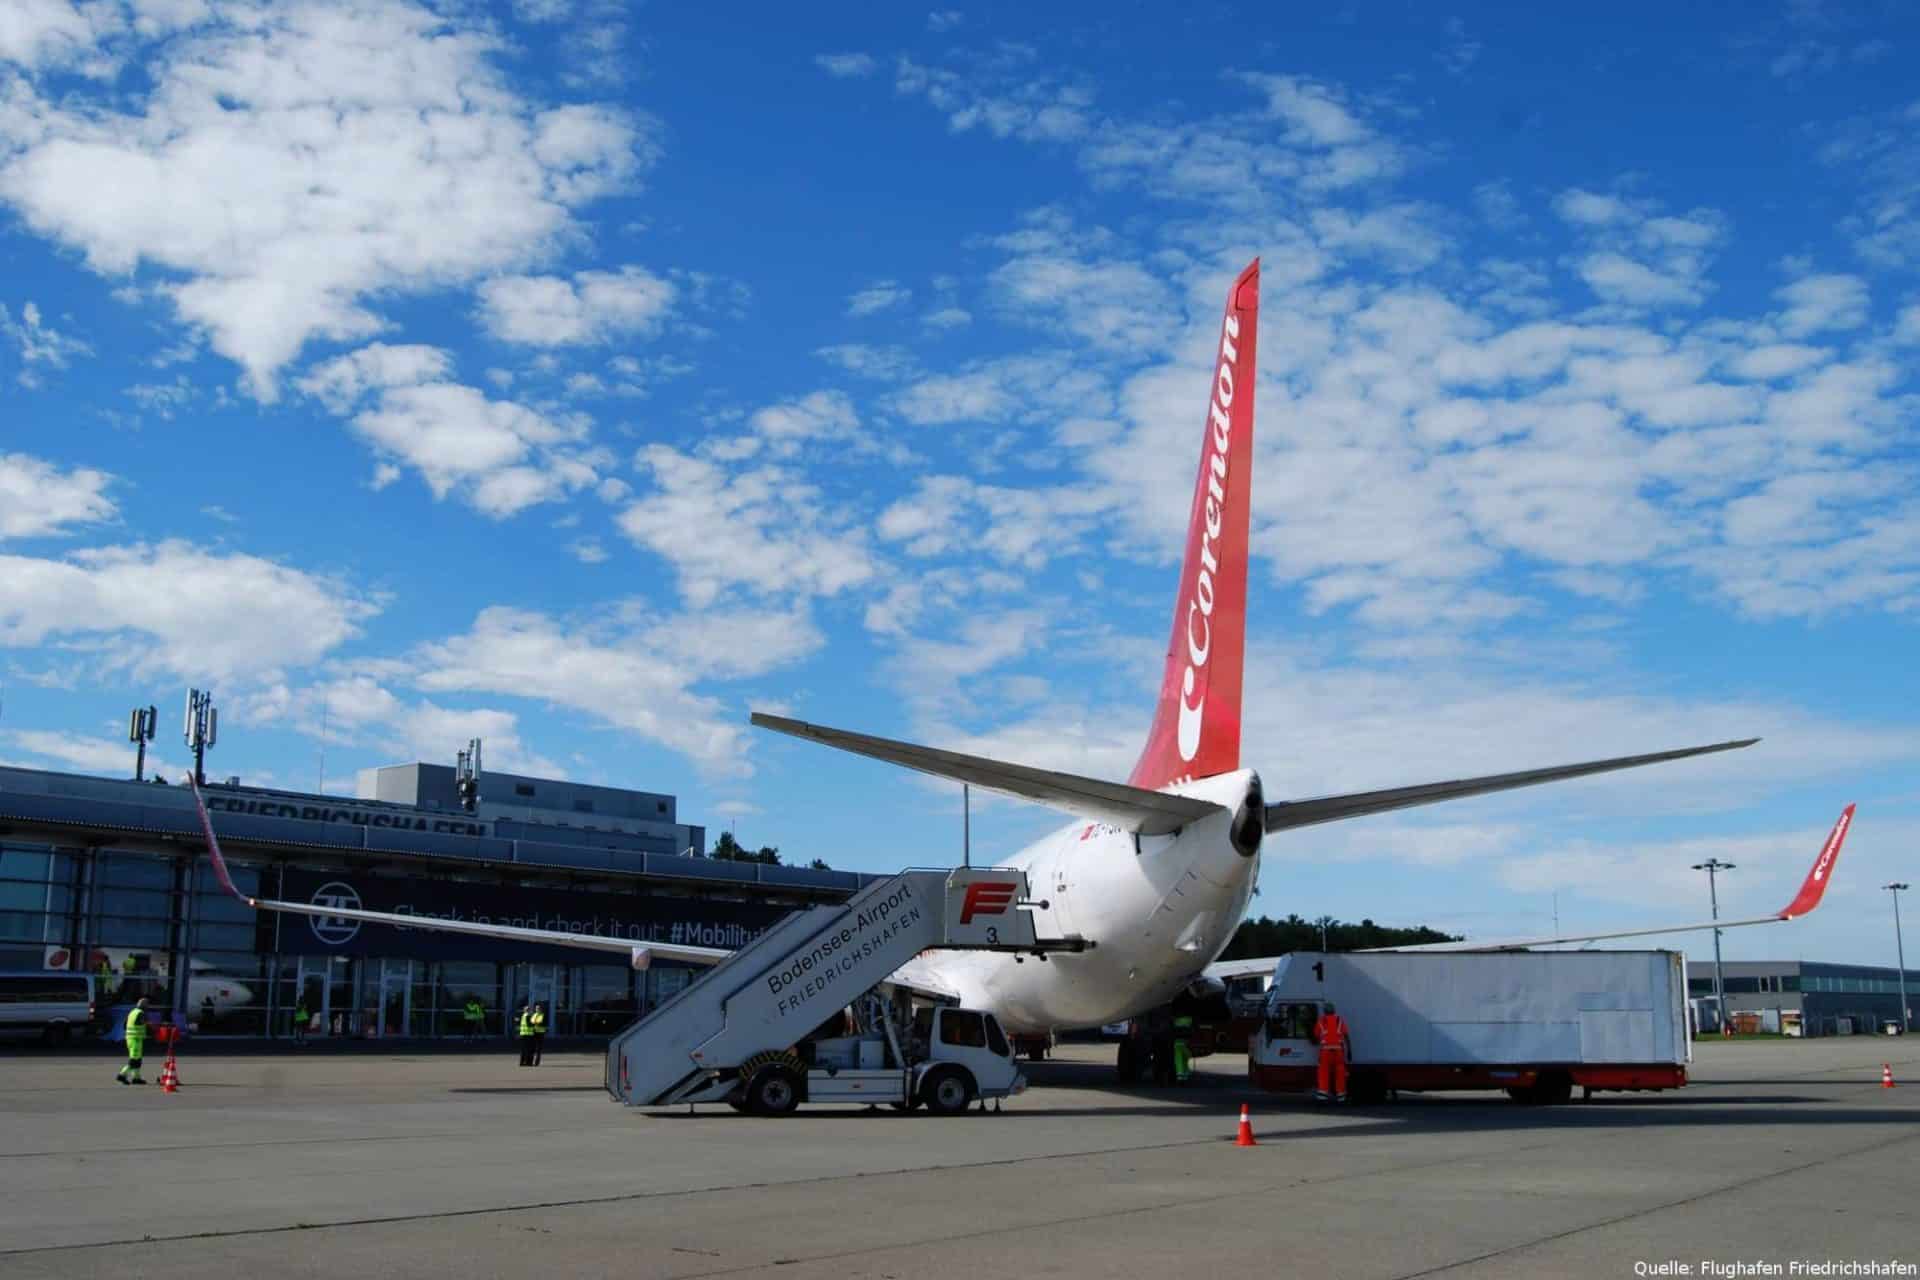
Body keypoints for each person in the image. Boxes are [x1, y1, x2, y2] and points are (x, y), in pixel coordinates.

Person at [1314, 1002, 1351, 1104]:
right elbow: (1346, 1036)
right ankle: (1341, 1097)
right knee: (1340, 1073)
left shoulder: (1321, 1021)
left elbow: (1316, 1037)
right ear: (1334, 1010)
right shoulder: (1339, 1020)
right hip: (1339, 1051)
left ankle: (1323, 1097)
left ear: (1325, 1011)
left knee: (1323, 1073)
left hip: (1325, 1052)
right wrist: (1349, 1051)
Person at [117, 997, 150, 1085]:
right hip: (136, 1039)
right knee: (134, 1060)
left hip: (130, 1038)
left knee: (138, 1059)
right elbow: (142, 1023)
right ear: (144, 1006)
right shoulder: (140, 1013)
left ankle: (136, 1078)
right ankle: (122, 1075)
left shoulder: (132, 1012)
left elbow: (125, 1025)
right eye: (147, 1005)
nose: (147, 1007)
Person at [1172, 1012, 1195, 1084]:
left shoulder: (1176, 1020)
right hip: (1186, 1043)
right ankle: (1185, 1076)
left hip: (1177, 1043)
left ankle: (1180, 1077)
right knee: (1186, 1059)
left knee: (1178, 1060)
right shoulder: (1189, 1019)